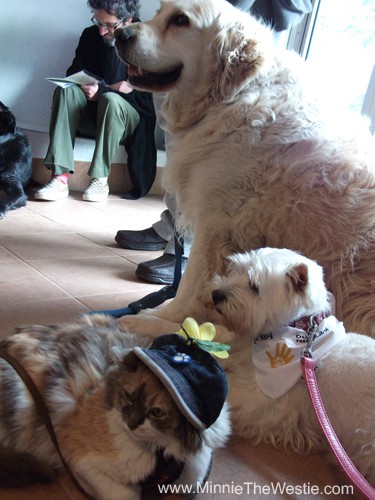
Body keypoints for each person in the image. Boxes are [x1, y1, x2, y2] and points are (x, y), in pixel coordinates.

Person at [115, 0, 312, 284]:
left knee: (226, 193)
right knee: (180, 142)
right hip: (199, 36)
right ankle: (177, 228)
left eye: (175, 21)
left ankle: (192, 254)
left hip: (235, 34)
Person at [35, 0, 156, 203]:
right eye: (98, 23)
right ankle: (59, 178)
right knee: (65, 92)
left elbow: (151, 102)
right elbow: (74, 74)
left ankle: (100, 179)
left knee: (111, 100)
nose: (101, 31)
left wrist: (106, 91)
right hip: (91, 117)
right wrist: (97, 86)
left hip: (125, 124)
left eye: (109, 26)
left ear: (128, 20)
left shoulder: (147, 41)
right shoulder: (90, 36)